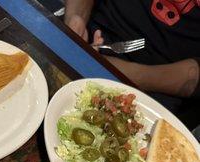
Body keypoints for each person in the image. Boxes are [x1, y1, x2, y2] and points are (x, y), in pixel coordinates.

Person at [64, 0, 200, 114]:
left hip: (154, 85)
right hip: (91, 32)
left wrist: (121, 73)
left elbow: (193, 78)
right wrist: (74, 18)